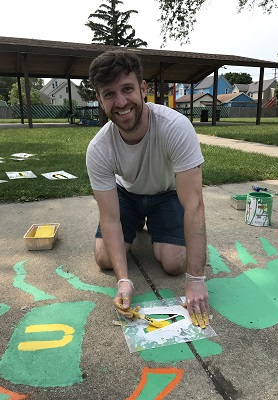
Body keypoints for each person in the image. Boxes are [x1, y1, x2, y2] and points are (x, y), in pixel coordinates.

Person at [86, 49, 209, 328]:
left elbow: (194, 205)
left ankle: (157, 226)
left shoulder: (175, 127)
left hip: (166, 194)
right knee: (104, 258)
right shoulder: (98, 148)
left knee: (174, 264)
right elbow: (110, 217)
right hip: (126, 195)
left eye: (127, 89)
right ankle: (143, 225)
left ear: (143, 89)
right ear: (100, 100)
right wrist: (124, 281)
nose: (121, 102)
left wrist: (196, 279)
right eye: (109, 94)